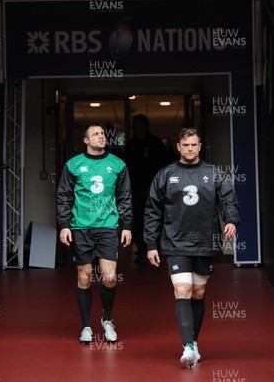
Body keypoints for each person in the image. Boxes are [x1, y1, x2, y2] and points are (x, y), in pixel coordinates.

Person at [143, 127, 240, 368]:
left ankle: (194, 342)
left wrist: (231, 220)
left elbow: (229, 201)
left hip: (205, 242)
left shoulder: (214, 173)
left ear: (199, 147)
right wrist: (150, 244)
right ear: (178, 146)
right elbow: (152, 210)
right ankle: (187, 347)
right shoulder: (165, 175)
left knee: (198, 293)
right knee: (183, 290)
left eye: (194, 145)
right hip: (175, 242)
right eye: (185, 145)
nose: (190, 149)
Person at [56, 122, 133, 344]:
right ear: (86, 141)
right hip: (81, 227)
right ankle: (86, 326)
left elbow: (125, 196)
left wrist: (127, 225)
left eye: (102, 134)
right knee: (84, 276)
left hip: (108, 227)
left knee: (109, 277)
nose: (101, 137)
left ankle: (106, 320)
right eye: (96, 134)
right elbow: (64, 196)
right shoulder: (74, 165)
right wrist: (64, 225)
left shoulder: (118, 165)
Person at [124, 114, 168, 264]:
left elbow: (165, 165)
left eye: (138, 125)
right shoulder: (130, 145)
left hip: (154, 189)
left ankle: (157, 249)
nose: (135, 128)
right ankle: (142, 250)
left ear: (145, 126)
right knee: (137, 220)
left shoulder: (155, 143)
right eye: (133, 125)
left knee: (156, 218)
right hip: (135, 190)